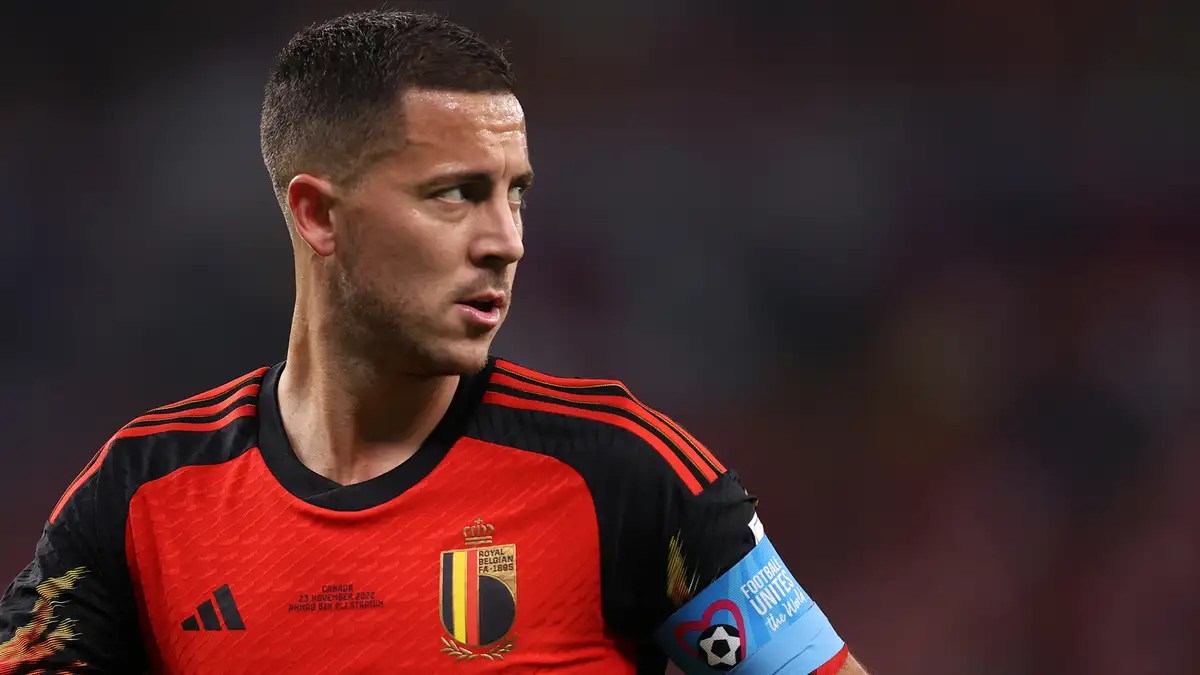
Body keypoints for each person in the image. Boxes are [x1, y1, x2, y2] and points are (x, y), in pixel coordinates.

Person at [0, 10, 868, 674]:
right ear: (318, 214)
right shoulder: (143, 494)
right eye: (456, 194)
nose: (506, 241)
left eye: (515, 193)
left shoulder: (624, 470)